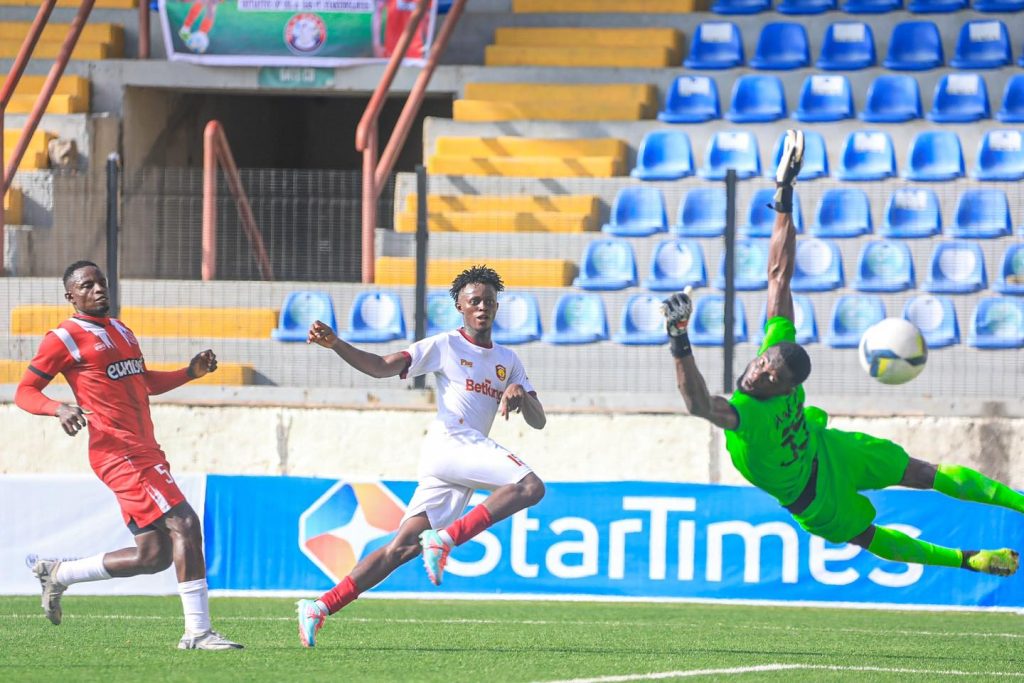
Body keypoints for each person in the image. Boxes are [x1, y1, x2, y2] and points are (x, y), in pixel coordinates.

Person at [661, 129, 1021, 577]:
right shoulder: (771, 358)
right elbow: (779, 276)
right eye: (762, 364)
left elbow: (696, 403)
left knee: (922, 475)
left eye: (772, 376)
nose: (759, 373)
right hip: (815, 486)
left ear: (789, 388)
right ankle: (968, 559)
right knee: (877, 531)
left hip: (827, 457)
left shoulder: (745, 414)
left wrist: (679, 338)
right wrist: (785, 193)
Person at [296, 265, 546, 648]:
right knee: (530, 486)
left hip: (456, 463)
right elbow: (381, 368)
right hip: (451, 442)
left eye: (489, 302)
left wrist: (519, 392)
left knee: (403, 547)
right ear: (460, 307)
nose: (483, 307)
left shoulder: (508, 360)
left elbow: (539, 420)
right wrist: (337, 344)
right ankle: (445, 540)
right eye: (474, 301)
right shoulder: (444, 345)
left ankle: (320, 606)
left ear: (497, 308)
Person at [15, 260, 242, 650]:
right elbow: (25, 391)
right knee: (185, 523)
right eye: (87, 286)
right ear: (71, 296)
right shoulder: (64, 337)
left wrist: (190, 372)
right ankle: (198, 632)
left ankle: (59, 572)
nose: (98, 289)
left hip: (145, 450)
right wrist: (60, 409)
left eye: (101, 282)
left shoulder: (121, 329)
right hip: (120, 454)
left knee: (154, 556)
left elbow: (144, 381)